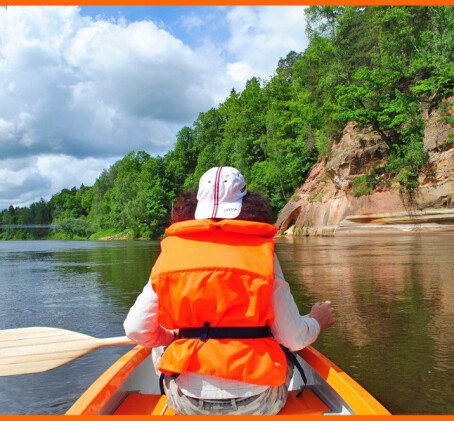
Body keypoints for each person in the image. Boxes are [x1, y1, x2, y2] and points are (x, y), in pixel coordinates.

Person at [124, 166, 335, 415]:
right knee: (281, 335)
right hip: (258, 403)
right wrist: (316, 321)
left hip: (188, 405)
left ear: (193, 206)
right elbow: (293, 338)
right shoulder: (262, 253)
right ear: (249, 205)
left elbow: (136, 329)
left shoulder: (172, 253)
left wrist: (171, 338)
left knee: (160, 336)